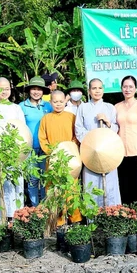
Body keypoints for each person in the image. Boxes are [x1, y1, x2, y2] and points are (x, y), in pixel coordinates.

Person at [38, 90, 81, 226]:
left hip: (70, 159)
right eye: (55, 101)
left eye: (61, 101)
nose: (58, 104)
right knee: (54, 189)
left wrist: (70, 149)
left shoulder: (71, 117)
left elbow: (76, 136)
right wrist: (52, 152)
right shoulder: (46, 119)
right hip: (53, 159)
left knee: (72, 189)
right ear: (50, 102)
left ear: (65, 102)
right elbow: (42, 138)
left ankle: (75, 219)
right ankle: (58, 221)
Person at [75, 79, 120, 207]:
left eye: (100, 88)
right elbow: (78, 129)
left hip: (108, 151)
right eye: (94, 88)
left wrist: (107, 122)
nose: (97, 91)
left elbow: (115, 128)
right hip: (90, 150)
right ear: (89, 91)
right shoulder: (83, 107)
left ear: (103, 90)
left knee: (110, 184)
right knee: (91, 183)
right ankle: (92, 214)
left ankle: (111, 213)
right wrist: (93, 140)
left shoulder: (110, 107)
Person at [0, 77, 27, 219]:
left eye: (7, 89)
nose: (4, 92)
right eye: (1, 89)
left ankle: (14, 215)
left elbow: (22, 130)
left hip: (14, 155)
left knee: (13, 184)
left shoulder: (16, 109)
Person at [114, 76, 137, 208]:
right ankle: (126, 215)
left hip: (136, 152)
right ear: (121, 88)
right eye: (125, 87)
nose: (127, 89)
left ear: (136, 89)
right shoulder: (116, 107)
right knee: (124, 187)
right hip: (120, 153)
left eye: (130, 87)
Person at [20, 77, 53, 206]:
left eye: (39, 89)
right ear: (29, 90)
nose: (36, 92)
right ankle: (35, 208)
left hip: (45, 149)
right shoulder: (22, 106)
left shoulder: (48, 106)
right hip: (29, 149)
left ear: (43, 91)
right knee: (33, 180)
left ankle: (45, 207)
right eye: (33, 89)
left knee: (45, 179)